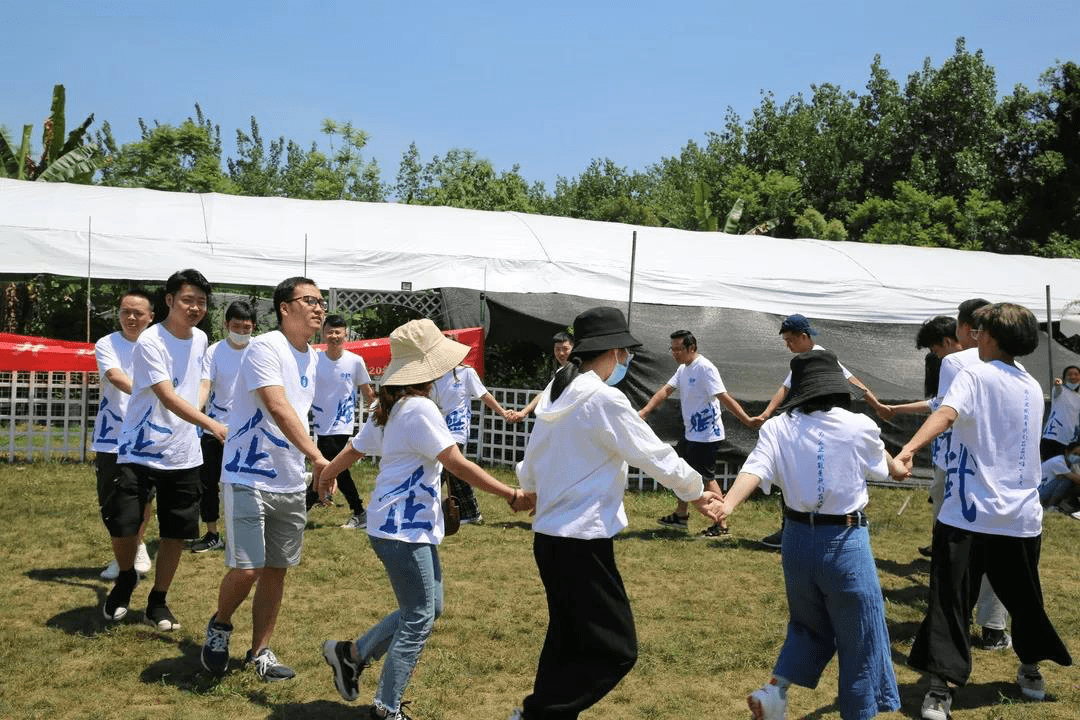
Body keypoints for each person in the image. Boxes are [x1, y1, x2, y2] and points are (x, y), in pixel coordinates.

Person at [506, 307, 722, 720]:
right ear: (611, 351)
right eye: (623, 352)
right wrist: (695, 492)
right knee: (617, 650)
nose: (625, 361)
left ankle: (538, 711)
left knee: (567, 638)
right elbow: (653, 453)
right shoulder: (603, 399)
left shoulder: (559, 393)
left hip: (550, 539)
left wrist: (531, 488)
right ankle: (542, 714)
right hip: (582, 542)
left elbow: (531, 459)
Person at [318, 318, 529, 720]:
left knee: (429, 609)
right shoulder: (418, 408)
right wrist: (510, 494)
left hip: (398, 526)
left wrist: (326, 476)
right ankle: (386, 707)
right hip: (400, 530)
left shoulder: (393, 407)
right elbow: (456, 463)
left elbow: (354, 449)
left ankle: (351, 654)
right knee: (418, 617)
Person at [894, 303, 1072, 720]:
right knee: (1017, 600)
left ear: (989, 337)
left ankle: (958, 683)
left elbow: (945, 413)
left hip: (982, 514)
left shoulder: (978, 374)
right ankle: (975, 679)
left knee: (956, 600)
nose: (974, 337)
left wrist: (907, 449)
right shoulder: (1030, 383)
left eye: (981, 332)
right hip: (1003, 516)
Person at [718, 349, 903, 720]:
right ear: (836, 386)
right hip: (845, 543)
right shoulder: (859, 426)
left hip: (797, 543)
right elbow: (891, 469)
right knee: (861, 639)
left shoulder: (778, 427)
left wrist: (728, 504)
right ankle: (859, 714)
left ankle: (776, 691)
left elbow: (755, 469)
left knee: (808, 625)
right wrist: (901, 463)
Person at [200, 277, 330, 681]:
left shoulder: (313, 356)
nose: (319, 309)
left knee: (277, 568)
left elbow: (303, 414)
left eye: (321, 302)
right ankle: (220, 625)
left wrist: (313, 466)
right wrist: (320, 459)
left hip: (289, 479)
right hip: (247, 473)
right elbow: (277, 406)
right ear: (285, 307)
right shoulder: (264, 347)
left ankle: (260, 652)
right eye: (309, 300)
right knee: (247, 568)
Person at [104, 269, 227, 630]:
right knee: (124, 524)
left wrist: (199, 410)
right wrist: (211, 424)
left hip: (183, 453)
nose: (195, 307)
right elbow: (167, 395)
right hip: (139, 449)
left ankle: (158, 598)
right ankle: (127, 576)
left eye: (201, 302)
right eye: (187, 300)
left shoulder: (202, 338)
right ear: (170, 301)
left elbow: (200, 381)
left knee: (176, 531)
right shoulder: (150, 341)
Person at [753, 313, 886, 549]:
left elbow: (854, 381)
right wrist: (766, 413)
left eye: (790, 340)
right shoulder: (801, 362)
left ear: (804, 337)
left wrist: (877, 405)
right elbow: (785, 389)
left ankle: (813, 529)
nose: (787, 345)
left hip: (826, 427)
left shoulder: (822, 358)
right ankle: (791, 527)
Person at [639, 329, 757, 538]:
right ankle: (681, 516)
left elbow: (724, 397)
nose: (675, 354)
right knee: (682, 472)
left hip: (707, 436)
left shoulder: (705, 368)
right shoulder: (684, 369)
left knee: (707, 478)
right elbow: (666, 390)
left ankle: (721, 524)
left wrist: (746, 420)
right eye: (672, 349)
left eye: (678, 349)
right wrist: (645, 411)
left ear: (691, 348)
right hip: (691, 433)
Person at [881, 315, 964, 558]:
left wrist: (909, 449)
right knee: (939, 492)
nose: (935, 354)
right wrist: (896, 410)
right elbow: (937, 403)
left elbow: (942, 409)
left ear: (947, 341)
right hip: (947, 448)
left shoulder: (956, 363)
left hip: (959, 449)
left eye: (935, 348)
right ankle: (941, 543)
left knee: (947, 494)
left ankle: (947, 548)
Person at [95, 289, 156, 580]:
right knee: (112, 500)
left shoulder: (158, 344)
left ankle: (135, 549)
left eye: (138, 313)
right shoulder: (107, 343)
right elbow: (115, 376)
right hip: (112, 435)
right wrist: (155, 395)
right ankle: (127, 551)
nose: (131, 318)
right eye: (125, 312)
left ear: (150, 317)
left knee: (143, 497)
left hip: (149, 435)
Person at [191, 300, 256, 553]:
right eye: (236, 326)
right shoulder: (214, 351)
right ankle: (212, 533)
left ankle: (241, 533)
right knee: (208, 484)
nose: (241, 332)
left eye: (247, 327)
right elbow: (205, 384)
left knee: (243, 485)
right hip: (215, 429)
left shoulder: (259, 350)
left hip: (248, 431)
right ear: (227, 324)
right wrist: (197, 411)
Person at [310, 314, 376, 529]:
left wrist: (375, 412)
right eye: (330, 331)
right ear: (323, 333)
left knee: (336, 466)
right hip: (320, 421)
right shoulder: (315, 359)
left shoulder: (355, 361)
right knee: (327, 465)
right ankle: (319, 499)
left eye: (338, 332)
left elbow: (367, 391)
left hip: (342, 423)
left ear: (345, 334)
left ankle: (357, 510)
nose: (334, 336)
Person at [431, 360, 511, 524]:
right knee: (454, 470)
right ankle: (469, 513)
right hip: (438, 427)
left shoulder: (466, 373)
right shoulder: (430, 376)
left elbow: (483, 394)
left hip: (457, 427)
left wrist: (502, 412)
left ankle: (424, 507)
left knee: (447, 467)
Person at [506, 331, 574, 423]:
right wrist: (523, 413)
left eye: (565, 349)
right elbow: (545, 394)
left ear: (573, 349)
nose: (561, 353)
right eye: (557, 349)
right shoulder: (561, 371)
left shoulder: (580, 371)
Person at [1040, 364, 1080, 461]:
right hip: (1053, 436)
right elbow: (1057, 383)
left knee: (1065, 469)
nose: (1073, 377)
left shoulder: (1078, 396)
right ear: (1065, 377)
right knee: (1050, 465)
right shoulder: (1060, 390)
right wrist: (1058, 382)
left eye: (1076, 374)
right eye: (1069, 374)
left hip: (1070, 439)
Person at [1037, 441, 1080, 511]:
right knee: (1066, 480)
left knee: (1072, 482)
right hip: (1040, 493)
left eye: (1079, 455)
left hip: (1047, 489)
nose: (1077, 457)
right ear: (1067, 452)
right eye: (1075, 454)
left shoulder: (1070, 462)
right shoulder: (1058, 462)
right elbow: (1076, 479)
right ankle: (1050, 506)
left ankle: (1065, 504)